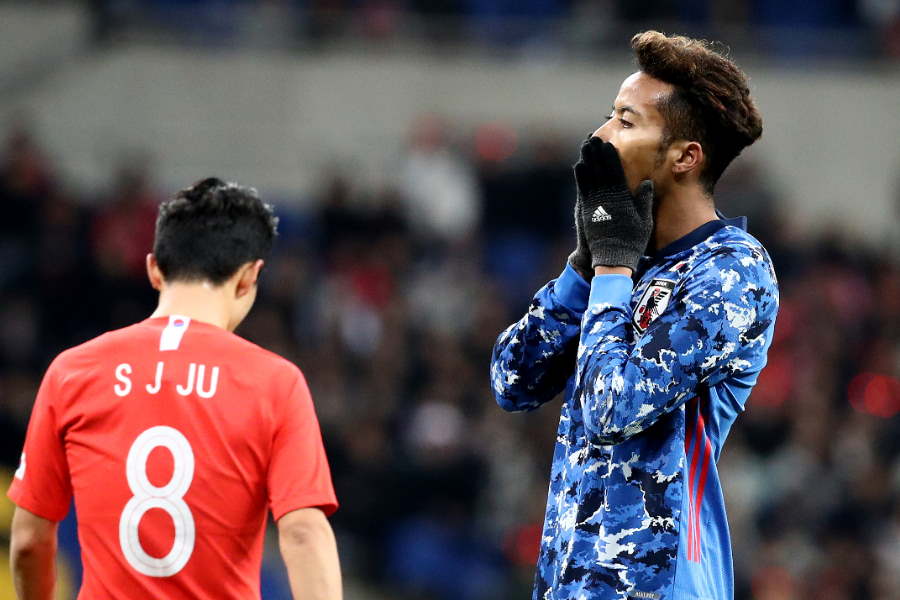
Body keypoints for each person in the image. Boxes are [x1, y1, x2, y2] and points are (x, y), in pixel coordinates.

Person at [490, 31, 778, 600]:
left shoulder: (732, 270)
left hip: (662, 584)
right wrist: (584, 266)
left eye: (625, 121)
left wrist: (613, 267)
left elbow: (613, 408)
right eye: (609, 115)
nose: (599, 137)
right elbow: (511, 381)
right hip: (570, 583)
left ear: (685, 157)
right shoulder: (622, 263)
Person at [7, 178, 342, 600]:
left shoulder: (72, 371)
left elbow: (29, 540)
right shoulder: (275, 382)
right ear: (249, 277)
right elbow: (304, 532)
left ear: (154, 269)